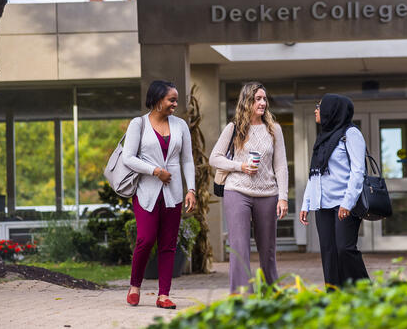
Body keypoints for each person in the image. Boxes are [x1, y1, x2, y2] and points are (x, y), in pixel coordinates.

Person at [122, 80, 196, 309]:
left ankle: (163, 294)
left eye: (176, 99)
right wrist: (154, 171)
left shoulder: (181, 125)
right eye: (171, 99)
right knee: (145, 239)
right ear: (157, 100)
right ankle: (135, 286)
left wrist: (191, 189)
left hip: (173, 194)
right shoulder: (139, 124)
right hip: (146, 191)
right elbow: (128, 157)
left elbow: (187, 159)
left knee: (169, 244)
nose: (175, 103)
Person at [209, 81, 289, 293]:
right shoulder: (234, 128)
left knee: (268, 249)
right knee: (239, 248)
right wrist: (240, 166)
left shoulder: (274, 129)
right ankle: (242, 297)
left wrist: (283, 197)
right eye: (257, 99)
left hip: (268, 194)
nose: (262, 103)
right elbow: (214, 158)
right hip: (237, 191)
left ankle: (272, 293)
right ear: (247, 101)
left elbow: (281, 165)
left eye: (264, 99)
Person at [299, 94, 369, 289]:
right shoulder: (323, 139)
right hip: (323, 204)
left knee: (344, 249)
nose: (315, 110)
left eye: (319, 106)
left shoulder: (351, 133)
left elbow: (358, 171)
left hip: (344, 203)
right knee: (329, 253)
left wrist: (347, 202)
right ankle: (334, 296)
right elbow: (315, 174)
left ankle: (364, 292)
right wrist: (307, 203)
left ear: (332, 110)